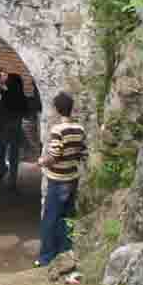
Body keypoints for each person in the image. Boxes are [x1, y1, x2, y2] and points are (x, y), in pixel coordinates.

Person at [36, 92, 89, 268]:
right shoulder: (80, 129)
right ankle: (65, 253)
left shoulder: (58, 130)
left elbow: (54, 156)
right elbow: (83, 153)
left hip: (57, 180)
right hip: (72, 178)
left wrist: (41, 162)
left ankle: (46, 258)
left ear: (57, 109)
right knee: (67, 218)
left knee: (50, 218)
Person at [0, 75, 30, 190]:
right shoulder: (22, 97)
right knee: (14, 155)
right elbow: (26, 113)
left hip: (5, 127)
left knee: (1, 151)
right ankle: (12, 181)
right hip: (16, 127)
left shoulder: (5, 95)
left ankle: (2, 169)